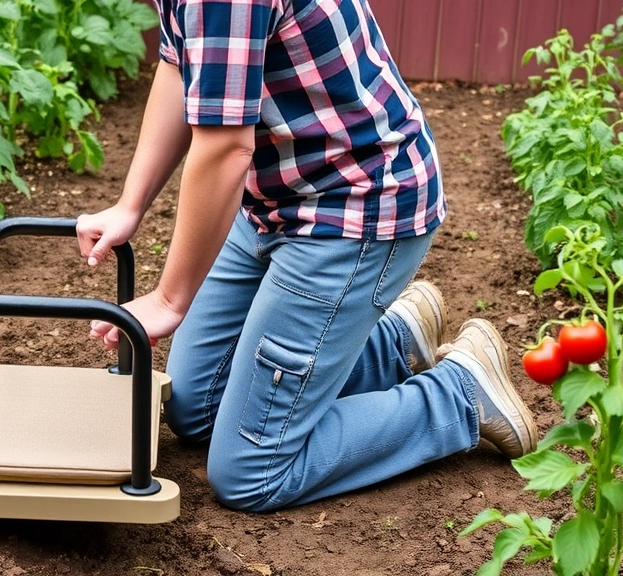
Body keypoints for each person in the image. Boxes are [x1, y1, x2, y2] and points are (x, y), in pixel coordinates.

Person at [76, 0, 538, 512]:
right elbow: (176, 64)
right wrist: (130, 203)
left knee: (249, 471)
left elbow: (227, 149)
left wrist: (169, 299)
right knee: (193, 405)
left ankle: (461, 393)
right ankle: (393, 346)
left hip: (352, 209)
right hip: (272, 198)